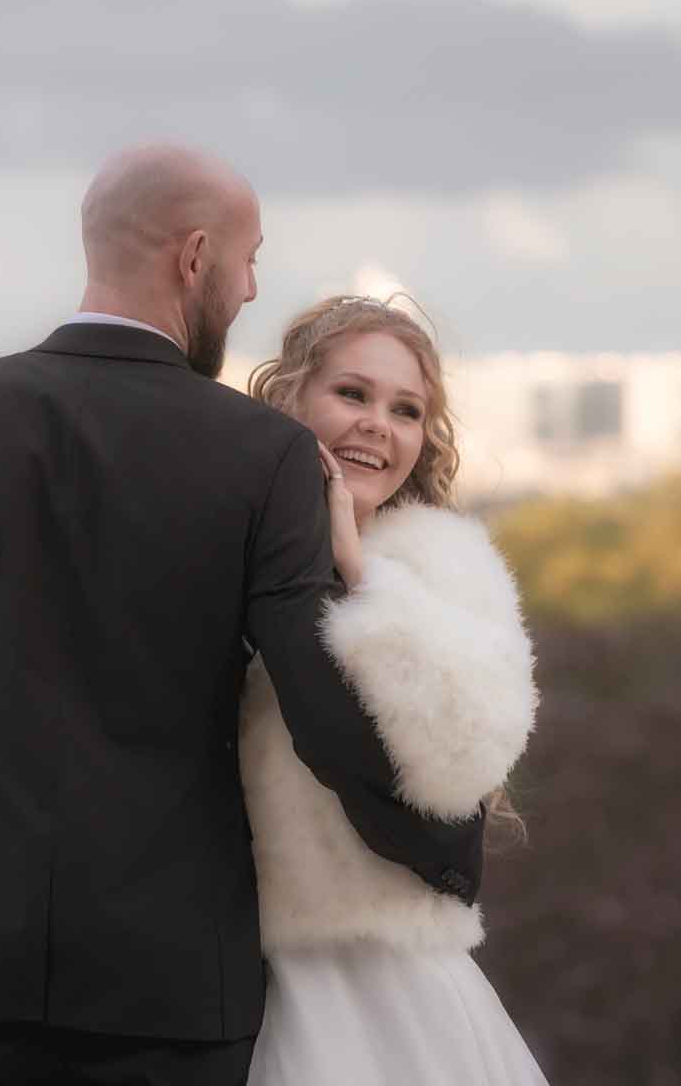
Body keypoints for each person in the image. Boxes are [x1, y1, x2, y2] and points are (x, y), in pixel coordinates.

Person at [0, 144, 484, 1085]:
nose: (250, 290)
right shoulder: (263, 456)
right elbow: (320, 702)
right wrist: (444, 848)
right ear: (195, 257)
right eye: (247, 262)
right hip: (170, 986)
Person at [242, 295, 548, 1084]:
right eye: (352, 394)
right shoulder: (226, 558)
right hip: (226, 974)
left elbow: (457, 762)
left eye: (406, 409)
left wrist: (361, 573)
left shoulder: (447, 570)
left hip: (387, 980)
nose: (379, 423)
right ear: (289, 401)